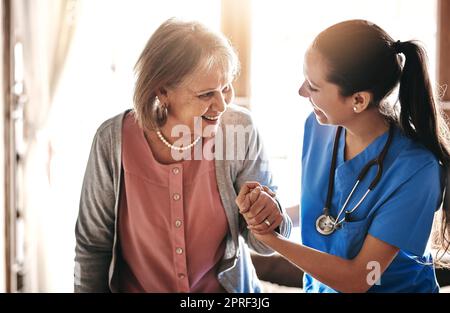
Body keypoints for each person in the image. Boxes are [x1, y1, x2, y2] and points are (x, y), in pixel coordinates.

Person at [74, 18, 292, 293]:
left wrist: (268, 217)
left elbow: (264, 244)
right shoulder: (112, 140)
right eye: (206, 94)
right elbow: (92, 246)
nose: (223, 105)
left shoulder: (239, 130)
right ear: (162, 91)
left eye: (226, 88)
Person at [236, 19, 450, 293]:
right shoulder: (318, 126)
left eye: (313, 87)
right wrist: (273, 212)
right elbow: (334, 211)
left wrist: (270, 240)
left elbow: (360, 278)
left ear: (359, 100)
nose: (301, 91)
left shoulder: (417, 170)